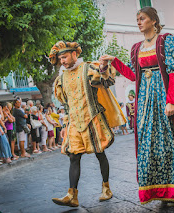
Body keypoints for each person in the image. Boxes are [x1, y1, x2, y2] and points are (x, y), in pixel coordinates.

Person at [100, 6, 174, 205]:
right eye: (137, 19)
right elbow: (134, 75)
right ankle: (158, 190)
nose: (138, 22)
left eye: (142, 18)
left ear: (154, 21)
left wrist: (171, 101)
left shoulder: (166, 40)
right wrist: (114, 61)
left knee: (168, 140)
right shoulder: (137, 47)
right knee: (148, 144)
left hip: (163, 95)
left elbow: (173, 72)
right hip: (144, 99)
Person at [50, 41, 126, 207]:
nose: (62, 61)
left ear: (74, 54)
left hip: (93, 118)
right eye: (60, 58)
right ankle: (72, 195)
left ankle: (106, 188)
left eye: (64, 57)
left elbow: (107, 82)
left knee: (100, 153)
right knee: (73, 157)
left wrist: (104, 67)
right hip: (74, 123)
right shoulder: (61, 78)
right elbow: (66, 104)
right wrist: (64, 125)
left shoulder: (88, 68)